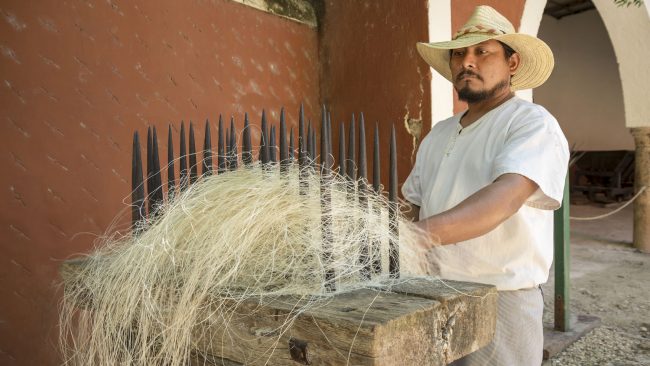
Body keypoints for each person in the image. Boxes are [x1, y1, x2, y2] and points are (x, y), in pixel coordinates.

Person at [402, 5, 569, 366]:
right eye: (459, 54)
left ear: (512, 63)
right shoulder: (439, 134)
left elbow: (504, 199)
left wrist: (417, 236)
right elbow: (412, 202)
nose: (468, 62)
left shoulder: (531, 124)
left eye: (483, 51)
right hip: (431, 294)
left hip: (500, 298)